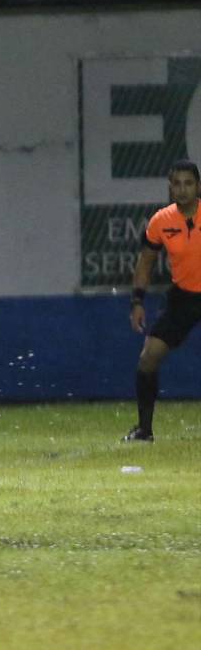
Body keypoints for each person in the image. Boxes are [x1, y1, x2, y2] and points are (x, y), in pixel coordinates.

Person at [125, 159, 201, 442]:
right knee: (148, 358)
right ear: (170, 188)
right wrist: (137, 302)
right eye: (177, 184)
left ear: (198, 187)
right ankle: (144, 430)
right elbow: (145, 263)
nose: (182, 190)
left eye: (188, 183)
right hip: (183, 298)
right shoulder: (161, 221)